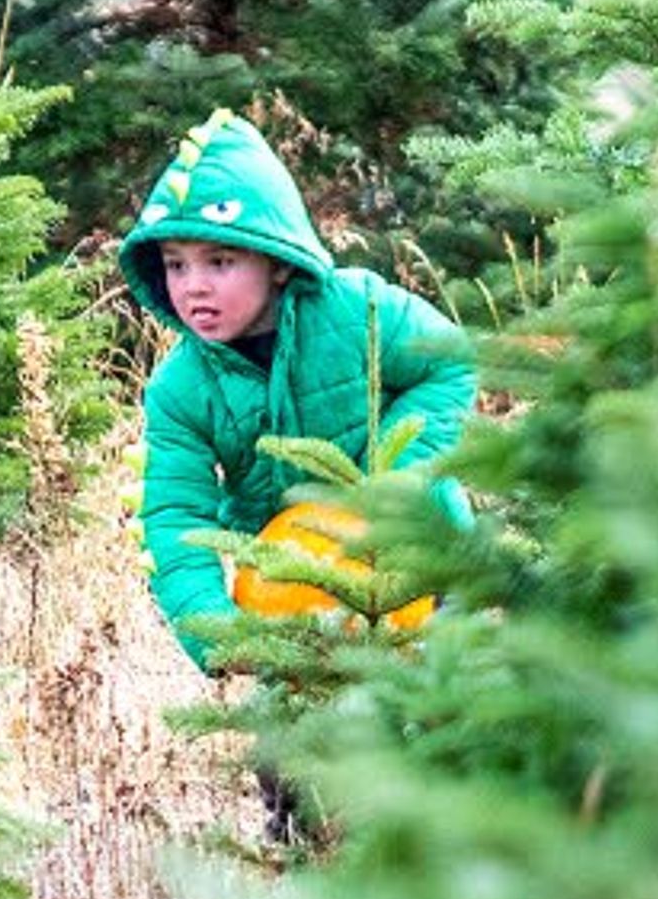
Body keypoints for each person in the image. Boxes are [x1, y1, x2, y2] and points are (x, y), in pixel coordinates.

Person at [121, 109, 477, 673]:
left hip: (425, 558)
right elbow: (174, 519)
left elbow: (452, 362)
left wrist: (392, 485)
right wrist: (218, 632)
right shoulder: (181, 388)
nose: (195, 287)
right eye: (175, 265)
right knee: (287, 757)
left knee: (436, 718)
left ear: (279, 262)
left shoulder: (358, 308)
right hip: (293, 591)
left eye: (220, 261)